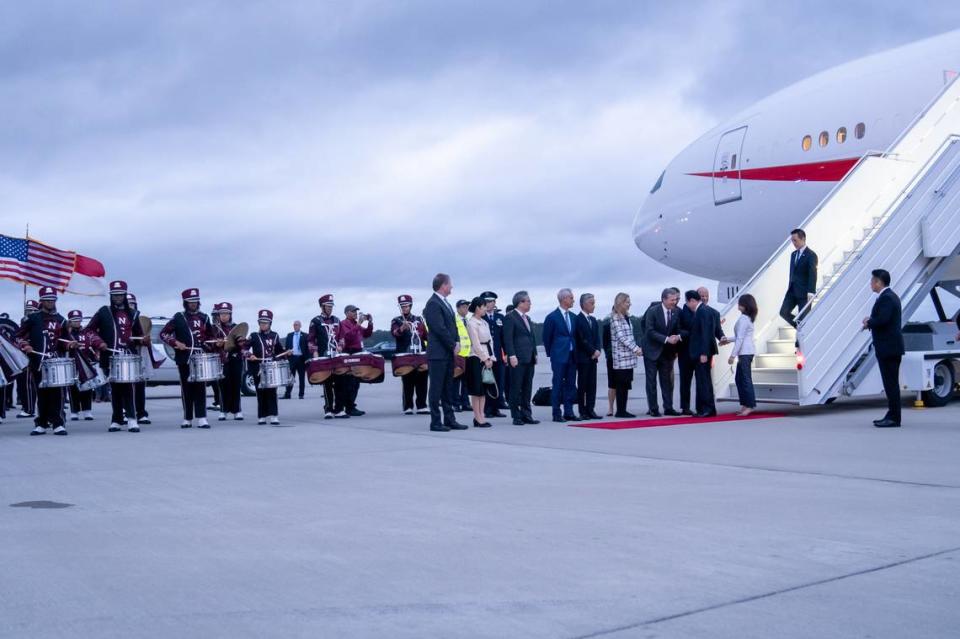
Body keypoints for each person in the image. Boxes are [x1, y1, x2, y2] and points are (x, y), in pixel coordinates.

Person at [84, 280, 147, 432]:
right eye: (114, 295)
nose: (117, 297)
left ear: (125, 295)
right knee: (115, 388)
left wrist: (144, 340)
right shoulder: (104, 311)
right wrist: (99, 342)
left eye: (120, 295)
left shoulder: (133, 314)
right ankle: (116, 420)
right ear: (111, 296)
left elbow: (139, 335)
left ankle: (132, 419)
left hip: (128, 357)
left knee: (129, 388)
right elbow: (88, 330)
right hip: (110, 356)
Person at [16, 287, 76, 436]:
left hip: (56, 361)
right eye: (47, 300)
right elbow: (18, 336)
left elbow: (65, 340)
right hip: (38, 361)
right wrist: (26, 345)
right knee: (41, 393)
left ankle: (58, 423)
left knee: (57, 393)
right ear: (41, 301)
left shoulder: (61, 320)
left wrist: (70, 344)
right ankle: (41, 423)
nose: (50, 302)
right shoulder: (32, 318)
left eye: (52, 300)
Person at [160, 288, 219, 429]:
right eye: (190, 302)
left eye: (195, 301)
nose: (193, 304)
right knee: (186, 388)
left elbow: (210, 337)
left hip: (200, 357)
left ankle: (202, 418)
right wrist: (175, 343)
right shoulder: (178, 317)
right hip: (184, 358)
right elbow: (163, 334)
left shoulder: (204, 317)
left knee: (200, 388)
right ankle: (187, 418)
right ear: (185, 302)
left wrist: (213, 343)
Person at [422, 273, 465, 431]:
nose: (452, 286)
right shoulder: (433, 304)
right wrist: (452, 344)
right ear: (443, 285)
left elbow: (453, 326)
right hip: (438, 353)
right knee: (436, 387)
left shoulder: (445, 303)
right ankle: (435, 421)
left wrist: (458, 341)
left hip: (447, 352)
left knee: (448, 387)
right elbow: (438, 328)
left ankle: (449, 419)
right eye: (450, 284)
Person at [862, 269, 905, 428]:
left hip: (889, 348)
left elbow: (883, 320)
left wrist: (869, 322)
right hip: (890, 347)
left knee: (891, 384)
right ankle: (892, 414)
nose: (871, 284)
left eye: (872, 281)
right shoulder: (889, 296)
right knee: (890, 383)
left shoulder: (886, 298)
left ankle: (894, 417)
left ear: (879, 282)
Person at [641, 288, 681, 417]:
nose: (674, 302)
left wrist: (677, 337)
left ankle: (668, 407)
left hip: (667, 352)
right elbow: (649, 331)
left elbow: (679, 329)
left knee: (667, 382)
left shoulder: (676, 312)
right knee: (651, 381)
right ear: (663, 299)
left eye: (675, 299)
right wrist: (666, 339)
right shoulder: (653, 311)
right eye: (672, 300)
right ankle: (653, 408)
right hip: (652, 351)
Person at [245, 309, 290, 425]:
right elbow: (243, 349)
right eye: (261, 322)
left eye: (265, 322)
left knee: (272, 392)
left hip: (271, 368)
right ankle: (262, 416)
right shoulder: (254, 336)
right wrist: (250, 355)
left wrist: (286, 352)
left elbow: (279, 350)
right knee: (260, 392)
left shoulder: (275, 336)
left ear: (270, 323)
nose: (263, 325)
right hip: (258, 368)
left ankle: (274, 415)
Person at [686, 289, 725, 417]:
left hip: (702, 352)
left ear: (692, 300)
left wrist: (703, 353)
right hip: (702, 352)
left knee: (704, 381)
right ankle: (704, 408)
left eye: (687, 302)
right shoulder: (703, 310)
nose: (687, 305)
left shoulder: (702, 311)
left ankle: (707, 409)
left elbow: (706, 333)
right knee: (703, 380)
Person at [503, 290, 539, 425]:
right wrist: (511, 355)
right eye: (528, 301)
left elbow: (532, 338)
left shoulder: (527, 318)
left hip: (529, 357)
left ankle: (526, 414)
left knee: (527, 387)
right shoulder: (510, 317)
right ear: (520, 302)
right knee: (515, 386)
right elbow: (508, 339)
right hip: (517, 357)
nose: (530, 304)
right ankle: (516, 415)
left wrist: (534, 353)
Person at [543, 288, 579, 422]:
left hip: (571, 355)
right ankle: (556, 412)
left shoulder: (573, 317)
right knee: (557, 383)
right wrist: (551, 354)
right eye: (571, 298)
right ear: (564, 299)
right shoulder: (552, 317)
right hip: (558, 356)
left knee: (571, 383)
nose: (573, 300)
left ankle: (569, 411)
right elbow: (547, 337)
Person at [308, 294, 347, 419]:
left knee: (340, 382)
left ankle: (339, 409)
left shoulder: (336, 320)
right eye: (327, 306)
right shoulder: (315, 321)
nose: (330, 308)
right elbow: (311, 339)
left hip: (337, 356)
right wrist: (314, 352)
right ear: (322, 306)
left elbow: (341, 336)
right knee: (327, 383)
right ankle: (328, 409)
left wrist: (341, 345)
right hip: (324, 356)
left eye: (331, 306)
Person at [391, 294, 431, 415]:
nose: (404, 308)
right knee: (407, 381)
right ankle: (408, 406)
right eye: (402, 306)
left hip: (420, 354)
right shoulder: (396, 320)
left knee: (422, 380)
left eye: (406, 305)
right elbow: (394, 334)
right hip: (406, 355)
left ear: (410, 306)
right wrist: (402, 328)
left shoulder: (419, 319)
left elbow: (425, 335)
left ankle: (422, 405)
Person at [609, 293, 642, 418]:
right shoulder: (615, 317)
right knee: (621, 384)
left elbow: (630, 336)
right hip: (621, 357)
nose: (629, 304)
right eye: (627, 302)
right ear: (620, 303)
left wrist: (636, 349)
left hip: (628, 357)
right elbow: (621, 337)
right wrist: (636, 349)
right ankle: (620, 411)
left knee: (626, 384)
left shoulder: (626, 317)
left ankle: (623, 409)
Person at [780, 228, 819, 333]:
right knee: (783, 312)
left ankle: (801, 337)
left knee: (804, 319)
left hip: (805, 294)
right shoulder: (793, 255)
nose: (793, 243)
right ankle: (799, 328)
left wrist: (811, 291)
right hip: (792, 292)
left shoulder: (811, 255)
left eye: (795, 240)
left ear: (803, 239)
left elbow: (813, 274)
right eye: (792, 241)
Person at [465, 296, 495, 427]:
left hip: (486, 356)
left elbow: (490, 341)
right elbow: (476, 344)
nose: (485, 309)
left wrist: (491, 357)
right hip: (476, 358)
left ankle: (481, 415)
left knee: (483, 390)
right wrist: (485, 358)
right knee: (477, 390)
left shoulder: (484, 322)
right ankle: (477, 417)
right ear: (477, 308)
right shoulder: (472, 323)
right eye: (483, 306)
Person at [338, 305, 373, 416]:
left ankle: (351, 405)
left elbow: (367, 333)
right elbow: (348, 337)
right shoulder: (344, 324)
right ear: (347, 313)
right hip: (349, 352)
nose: (356, 313)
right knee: (349, 382)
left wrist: (370, 323)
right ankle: (348, 406)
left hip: (358, 353)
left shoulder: (355, 324)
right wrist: (358, 325)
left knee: (356, 381)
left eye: (356, 311)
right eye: (353, 311)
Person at [212, 302, 245, 420]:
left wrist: (240, 342)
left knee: (236, 385)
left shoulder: (236, 327)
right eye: (222, 313)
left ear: (230, 314)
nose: (224, 316)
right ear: (218, 315)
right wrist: (217, 344)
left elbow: (242, 345)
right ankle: (223, 410)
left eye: (226, 313)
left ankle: (237, 410)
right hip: (221, 360)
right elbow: (209, 345)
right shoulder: (214, 328)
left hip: (235, 359)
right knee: (223, 386)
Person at [728, 294, 758, 416]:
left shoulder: (744, 319)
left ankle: (750, 405)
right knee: (740, 379)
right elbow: (740, 337)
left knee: (745, 379)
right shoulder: (746, 318)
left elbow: (740, 339)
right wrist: (727, 339)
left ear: (744, 305)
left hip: (745, 353)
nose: (738, 304)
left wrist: (732, 355)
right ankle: (745, 404)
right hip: (745, 352)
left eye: (740, 303)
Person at [574, 293, 602, 420]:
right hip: (583, 358)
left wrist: (597, 350)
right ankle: (582, 410)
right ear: (584, 304)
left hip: (593, 358)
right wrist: (591, 351)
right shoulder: (577, 320)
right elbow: (581, 339)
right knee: (583, 385)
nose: (594, 306)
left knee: (592, 385)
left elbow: (597, 338)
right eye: (591, 303)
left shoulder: (593, 320)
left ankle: (591, 409)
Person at [480, 292, 508, 418]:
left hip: (498, 355)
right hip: (485, 355)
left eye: (492, 301)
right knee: (487, 382)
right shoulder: (480, 317)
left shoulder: (500, 317)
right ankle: (487, 408)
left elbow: (504, 338)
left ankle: (496, 407)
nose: (490, 303)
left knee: (499, 382)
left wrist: (507, 353)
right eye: (487, 301)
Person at [125, 293, 151, 424]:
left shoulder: (139, 320)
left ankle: (141, 413)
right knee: (125, 386)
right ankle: (126, 412)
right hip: (123, 357)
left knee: (140, 385)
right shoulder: (118, 319)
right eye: (128, 304)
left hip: (138, 355)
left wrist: (144, 340)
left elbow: (144, 336)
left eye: (132, 304)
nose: (130, 306)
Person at [66, 310, 95, 422]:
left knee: (87, 386)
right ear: (70, 321)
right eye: (74, 320)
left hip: (85, 362)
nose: (77, 322)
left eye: (78, 320)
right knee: (73, 388)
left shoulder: (86, 332)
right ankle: (74, 411)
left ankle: (87, 410)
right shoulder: (67, 334)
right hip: (72, 363)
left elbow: (93, 344)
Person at [16, 299, 39, 418]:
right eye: (27, 310)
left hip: (33, 355)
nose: (29, 313)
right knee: (22, 383)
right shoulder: (24, 322)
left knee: (28, 383)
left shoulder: (37, 322)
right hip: (23, 355)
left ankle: (30, 409)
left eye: (32, 310)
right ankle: (26, 406)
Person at [453, 299, 472, 411]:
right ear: (458, 308)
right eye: (464, 307)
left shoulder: (468, 320)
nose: (466, 309)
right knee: (456, 380)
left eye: (467, 307)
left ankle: (465, 402)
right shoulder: (454, 320)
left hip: (468, 354)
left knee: (466, 381)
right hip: (458, 354)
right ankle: (455, 403)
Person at [283, 320, 308, 400]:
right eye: (294, 325)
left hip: (301, 358)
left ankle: (301, 394)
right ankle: (287, 394)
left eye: (297, 325)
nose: (295, 326)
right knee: (290, 377)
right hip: (292, 358)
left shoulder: (305, 335)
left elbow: (307, 348)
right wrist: (288, 352)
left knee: (301, 377)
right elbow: (287, 347)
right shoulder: (289, 335)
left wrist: (307, 359)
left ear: (300, 326)